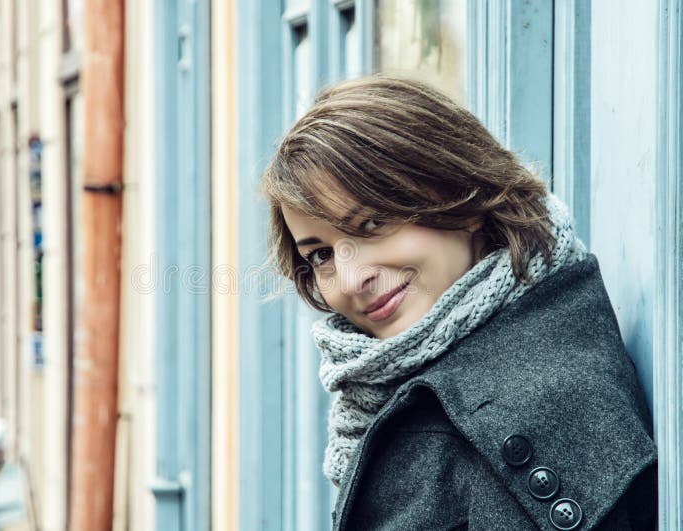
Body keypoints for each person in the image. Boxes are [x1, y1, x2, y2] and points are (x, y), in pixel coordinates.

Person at [260, 75, 657, 530]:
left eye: (372, 224)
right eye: (321, 255)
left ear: (461, 198)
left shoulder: (518, 413)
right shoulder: (425, 385)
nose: (351, 279)